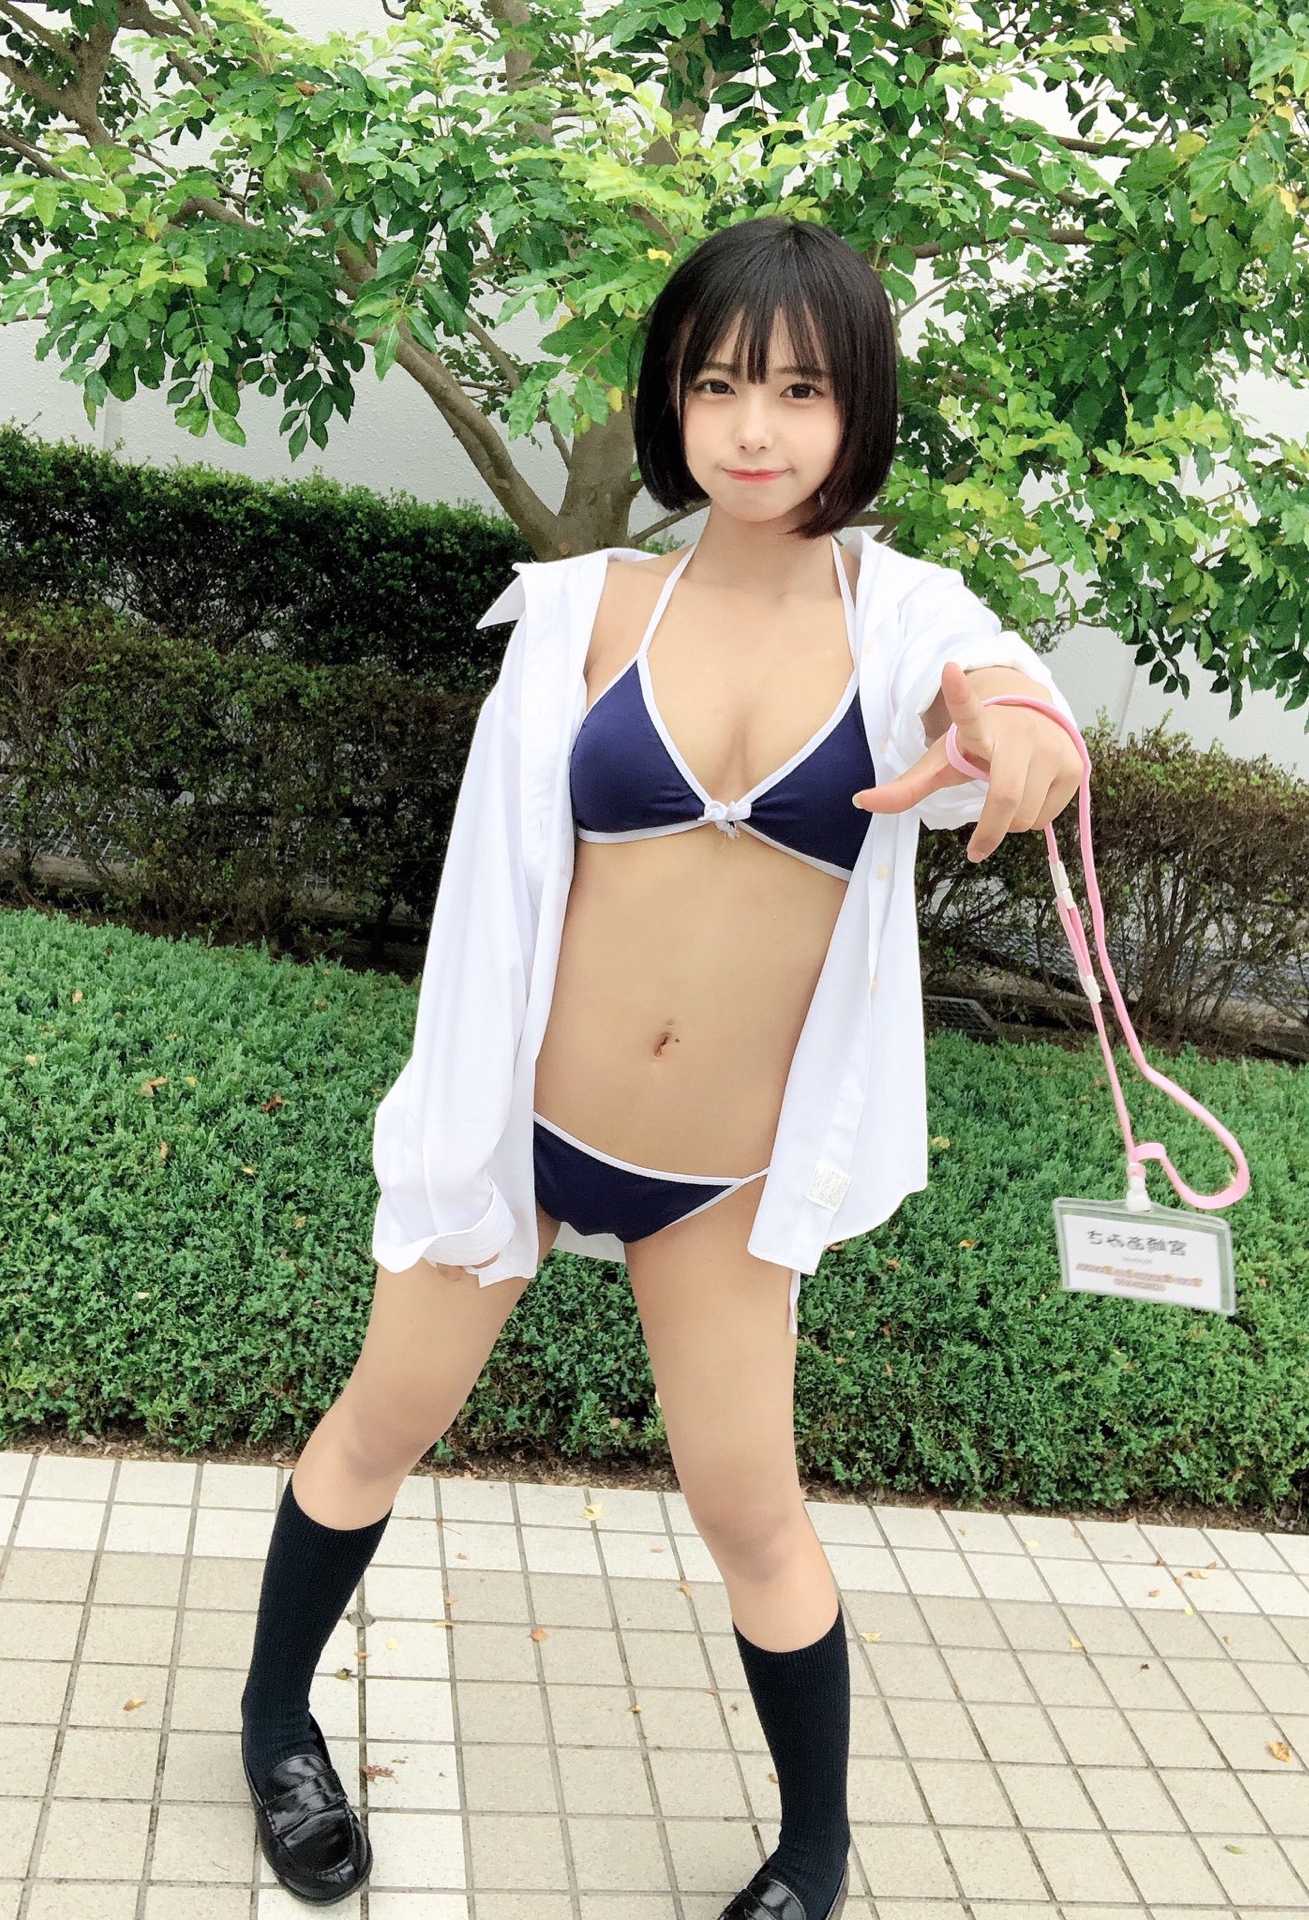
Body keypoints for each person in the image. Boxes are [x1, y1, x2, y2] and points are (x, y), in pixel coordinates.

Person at [239, 215, 1084, 1917]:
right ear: (669, 400)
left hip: (725, 1176)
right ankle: (274, 1729)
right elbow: (500, 889)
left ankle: (816, 1852)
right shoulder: (585, 609)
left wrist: (1020, 741)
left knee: (750, 1507)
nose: (753, 429)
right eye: (716, 385)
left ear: (858, 410)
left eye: (799, 390)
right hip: (528, 1126)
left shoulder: (907, 617)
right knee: (384, 1418)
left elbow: (1013, 702)